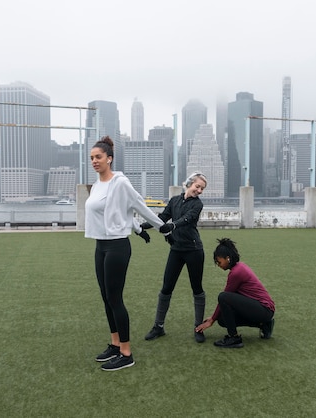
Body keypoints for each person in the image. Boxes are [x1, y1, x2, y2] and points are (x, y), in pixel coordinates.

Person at [84, 136, 169, 371]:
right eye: (91, 158)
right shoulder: (98, 184)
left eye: (98, 157)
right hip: (100, 245)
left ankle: (126, 352)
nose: (94, 161)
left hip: (117, 246)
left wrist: (162, 227)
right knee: (105, 297)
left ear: (109, 159)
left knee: (115, 298)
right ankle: (114, 344)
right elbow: (119, 212)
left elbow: (138, 204)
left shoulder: (120, 182)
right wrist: (138, 228)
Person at [142, 172, 208, 343]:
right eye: (197, 186)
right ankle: (158, 327)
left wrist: (172, 225)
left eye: (202, 189)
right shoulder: (174, 200)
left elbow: (187, 219)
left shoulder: (197, 205)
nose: (199, 190)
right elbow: (162, 218)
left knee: (197, 289)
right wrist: (141, 226)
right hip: (176, 250)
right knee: (166, 288)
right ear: (189, 184)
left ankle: (198, 328)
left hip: (194, 250)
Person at [195, 238, 275, 348]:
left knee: (223, 297)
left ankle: (234, 338)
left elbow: (225, 297)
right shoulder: (239, 267)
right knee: (222, 319)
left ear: (227, 258)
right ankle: (264, 324)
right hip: (261, 310)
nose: (218, 265)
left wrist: (211, 320)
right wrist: (215, 318)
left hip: (265, 309)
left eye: (219, 262)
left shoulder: (237, 273)